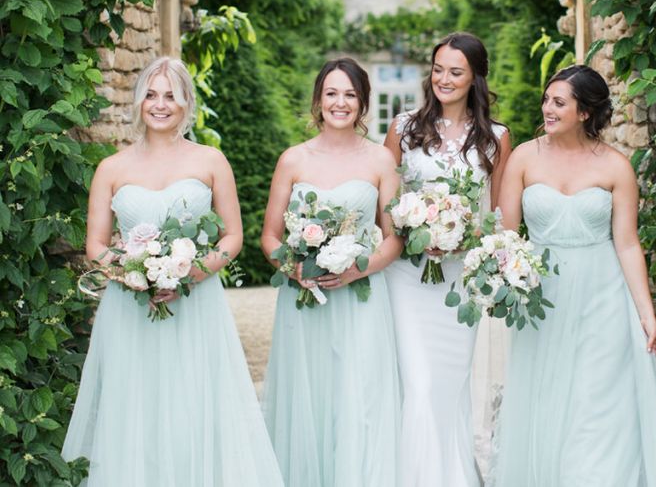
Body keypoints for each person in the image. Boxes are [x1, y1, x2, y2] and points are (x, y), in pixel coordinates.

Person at [61, 57, 284, 486]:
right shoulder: (111, 168)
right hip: (130, 311)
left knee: (193, 404)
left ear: (186, 104)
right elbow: (95, 246)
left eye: (171, 96)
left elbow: (232, 237)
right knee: (133, 406)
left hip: (196, 307)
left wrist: (189, 274)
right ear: (139, 100)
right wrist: (135, 275)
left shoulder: (211, 161)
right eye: (152, 94)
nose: (160, 104)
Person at [492, 64, 656, 486]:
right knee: (549, 400)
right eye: (547, 100)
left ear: (585, 111)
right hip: (543, 298)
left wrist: (645, 313)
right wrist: (503, 278)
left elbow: (628, 243)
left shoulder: (616, 166)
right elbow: (505, 234)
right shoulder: (524, 156)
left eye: (559, 102)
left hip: (603, 297)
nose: (548, 109)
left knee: (597, 406)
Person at [261, 58, 402, 487]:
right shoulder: (293, 160)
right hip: (304, 301)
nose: (340, 103)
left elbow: (394, 239)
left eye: (350, 95)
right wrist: (294, 268)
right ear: (318, 100)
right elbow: (269, 236)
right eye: (331, 94)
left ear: (362, 104)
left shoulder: (381, 160)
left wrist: (358, 269)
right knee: (310, 397)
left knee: (359, 400)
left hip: (361, 298)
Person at [383, 32, 511, 487]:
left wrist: (463, 240)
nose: (444, 79)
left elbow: (499, 218)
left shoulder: (496, 138)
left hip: (458, 282)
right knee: (416, 384)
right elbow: (385, 204)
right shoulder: (402, 129)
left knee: (449, 387)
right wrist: (412, 230)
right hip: (405, 278)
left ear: (475, 76)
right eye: (438, 69)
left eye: (455, 71)